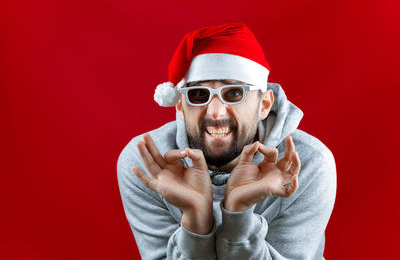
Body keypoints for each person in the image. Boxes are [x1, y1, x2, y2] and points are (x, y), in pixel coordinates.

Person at [117, 22, 337, 260]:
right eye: (199, 94)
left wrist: (239, 218)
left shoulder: (304, 164)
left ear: (264, 105)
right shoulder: (150, 164)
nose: (215, 113)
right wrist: (195, 222)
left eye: (233, 93)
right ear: (180, 106)